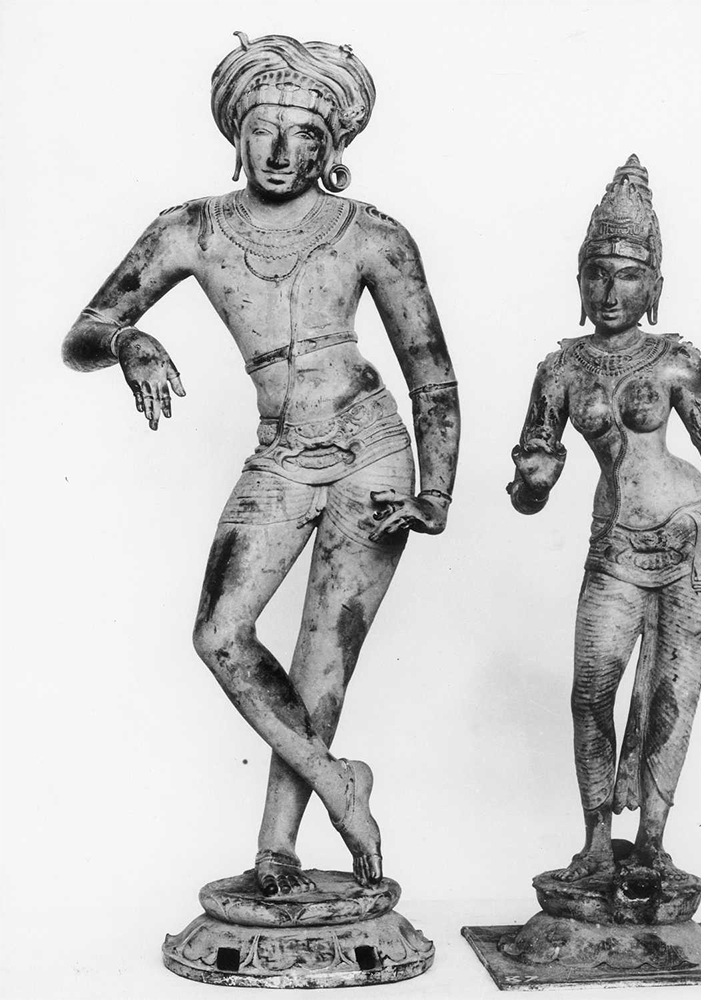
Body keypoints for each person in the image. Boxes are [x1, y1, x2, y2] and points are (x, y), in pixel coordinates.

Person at [63, 33, 459, 896]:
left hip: (371, 453)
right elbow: (84, 332)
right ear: (236, 134)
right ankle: (340, 784)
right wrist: (129, 343)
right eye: (263, 129)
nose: (281, 151)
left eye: (305, 133)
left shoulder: (372, 234)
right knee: (220, 635)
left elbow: (431, 375)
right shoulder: (192, 229)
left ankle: (277, 850)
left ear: (332, 146)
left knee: (323, 659)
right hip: (281, 452)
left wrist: (437, 489)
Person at [507, 155, 701, 882]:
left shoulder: (675, 364)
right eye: (598, 274)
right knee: (590, 695)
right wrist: (533, 484)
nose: (611, 292)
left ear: (655, 286)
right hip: (616, 545)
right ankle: (595, 844)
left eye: (629, 276)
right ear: (579, 281)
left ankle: (653, 844)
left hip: (695, 543)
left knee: (673, 696)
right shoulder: (559, 371)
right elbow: (530, 483)